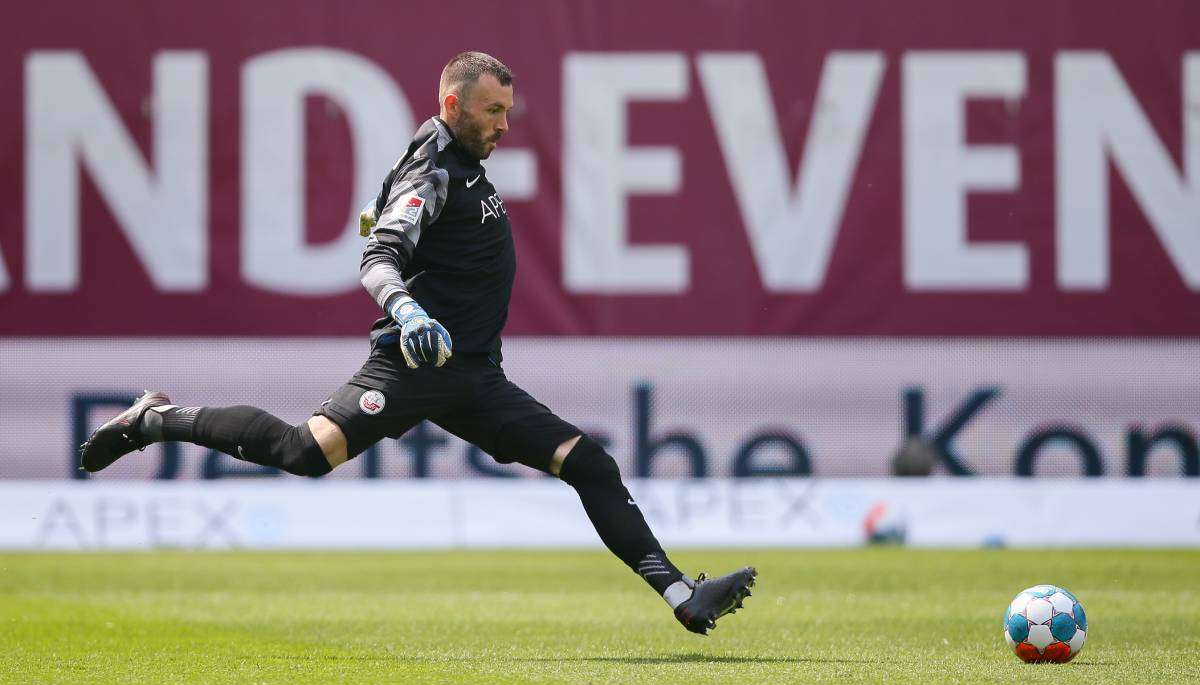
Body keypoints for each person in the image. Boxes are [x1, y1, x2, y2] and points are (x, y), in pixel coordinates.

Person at [80, 51, 755, 635]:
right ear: (453, 103)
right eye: (492, 110)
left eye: (508, 111)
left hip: (474, 377)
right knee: (304, 453)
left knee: (590, 464)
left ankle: (683, 599)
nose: (504, 125)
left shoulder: (451, 160)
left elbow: (398, 221)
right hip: (415, 362)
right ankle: (156, 420)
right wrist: (407, 310)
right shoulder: (433, 170)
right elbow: (378, 255)